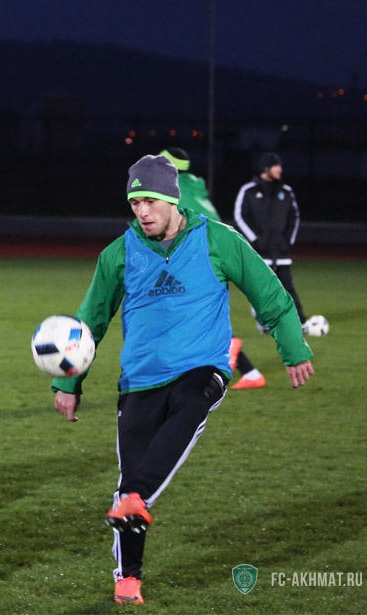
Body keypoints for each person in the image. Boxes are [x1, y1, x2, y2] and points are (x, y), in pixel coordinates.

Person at [51, 154, 313, 606]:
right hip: (139, 381)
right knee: (130, 484)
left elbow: (270, 294)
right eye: (135, 203)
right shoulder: (118, 254)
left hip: (201, 367)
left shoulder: (218, 240)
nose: (142, 212)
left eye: (150, 201)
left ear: (173, 199)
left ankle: (136, 497)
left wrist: (293, 350)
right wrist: (68, 384)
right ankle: (128, 576)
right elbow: (89, 323)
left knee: (191, 403)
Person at [160, 148, 266, 389]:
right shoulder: (193, 185)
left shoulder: (170, 189)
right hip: (220, 252)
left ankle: (221, 351)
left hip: (202, 255)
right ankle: (251, 374)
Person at [233, 152, 314, 349]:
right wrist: (255, 240)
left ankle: (300, 323)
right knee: (261, 291)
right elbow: (239, 216)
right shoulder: (248, 190)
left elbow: (294, 217)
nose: (280, 170)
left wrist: (287, 241)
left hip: (281, 253)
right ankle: (265, 323)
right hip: (259, 253)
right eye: (277, 166)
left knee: (288, 289)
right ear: (266, 168)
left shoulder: (286, 191)